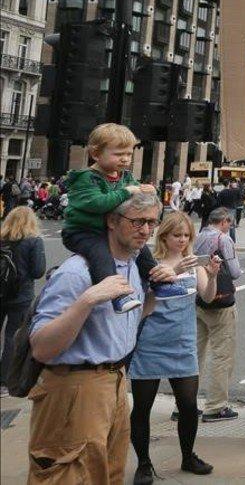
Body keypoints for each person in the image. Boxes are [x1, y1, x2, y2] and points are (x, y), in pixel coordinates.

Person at [25, 192, 159, 483]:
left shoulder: (131, 266)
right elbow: (42, 347)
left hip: (116, 380)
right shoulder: (77, 272)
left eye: (151, 222)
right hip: (76, 386)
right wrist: (86, 301)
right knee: (68, 475)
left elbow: (127, 322)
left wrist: (158, 293)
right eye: (137, 222)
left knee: (108, 474)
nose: (146, 231)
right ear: (111, 221)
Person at [129, 211, 220, 483]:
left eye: (186, 236)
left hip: (183, 344)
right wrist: (170, 274)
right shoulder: (151, 264)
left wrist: (212, 275)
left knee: (189, 406)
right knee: (142, 406)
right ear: (164, 236)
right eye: (176, 235)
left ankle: (188, 455)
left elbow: (207, 296)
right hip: (151, 343)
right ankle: (143, 464)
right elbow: (142, 303)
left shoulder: (194, 264)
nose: (182, 240)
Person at [62, 123, 177, 314]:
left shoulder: (124, 176)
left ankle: (159, 283)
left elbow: (136, 197)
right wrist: (126, 192)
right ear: (95, 154)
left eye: (129, 154)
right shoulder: (87, 178)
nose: (125, 159)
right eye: (118, 154)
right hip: (84, 231)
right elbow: (97, 204)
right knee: (102, 256)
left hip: (109, 229)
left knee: (143, 253)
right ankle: (117, 296)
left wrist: (148, 190)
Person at [194, 207, 244, 422]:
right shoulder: (224, 239)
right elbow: (233, 272)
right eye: (229, 223)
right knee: (222, 355)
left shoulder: (197, 237)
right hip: (221, 300)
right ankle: (215, 405)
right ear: (223, 221)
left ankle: (184, 402)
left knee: (195, 352)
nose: (229, 227)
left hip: (199, 297)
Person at [0, 206, 45, 394]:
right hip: (21, 295)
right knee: (13, 337)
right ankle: (4, 380)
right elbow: (38, 271)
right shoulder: (33, 241)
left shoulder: (2, 239)